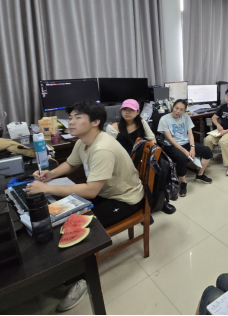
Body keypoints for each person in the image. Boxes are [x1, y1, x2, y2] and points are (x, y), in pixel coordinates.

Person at [26, 101, 145, 312]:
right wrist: (50, 175)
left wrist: (46, 188)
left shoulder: (102, 147)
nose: (71, 122)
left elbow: (91, 191)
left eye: (78, 117)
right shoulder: (83, 141)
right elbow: (71, 164)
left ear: (95, 121)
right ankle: (66, 269)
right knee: (63, 216)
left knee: (78, 230)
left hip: (125, 199)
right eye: (71, 117)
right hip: (105, 193)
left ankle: (81, 280)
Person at [158, 99, 213, 197]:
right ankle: (183, 182)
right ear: (173, 107)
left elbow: (190, 134)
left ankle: (200, 175)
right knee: (182, 158)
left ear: (184, 110)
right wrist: (184, 151)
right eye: (176, 108)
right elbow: (170, 139)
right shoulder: (164, 119)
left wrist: (192, 148)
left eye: (181, 110)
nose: (178, 111)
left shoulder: (186, 117)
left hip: (186, 143)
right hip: (171, 145)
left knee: (207, 151)